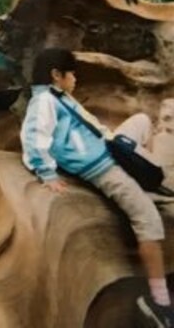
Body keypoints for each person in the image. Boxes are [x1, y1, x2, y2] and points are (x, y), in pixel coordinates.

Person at [20, 47, 173, 328]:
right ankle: (158, 300)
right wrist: (47, 173)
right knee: (148, 219)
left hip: (108, 147)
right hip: (102, 167)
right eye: (72, 74)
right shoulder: (44, 102)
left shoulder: (58, 96)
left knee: (141, 121)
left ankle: (149, 180)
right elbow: (33, 138)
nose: (75, 79)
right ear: (56, 75)